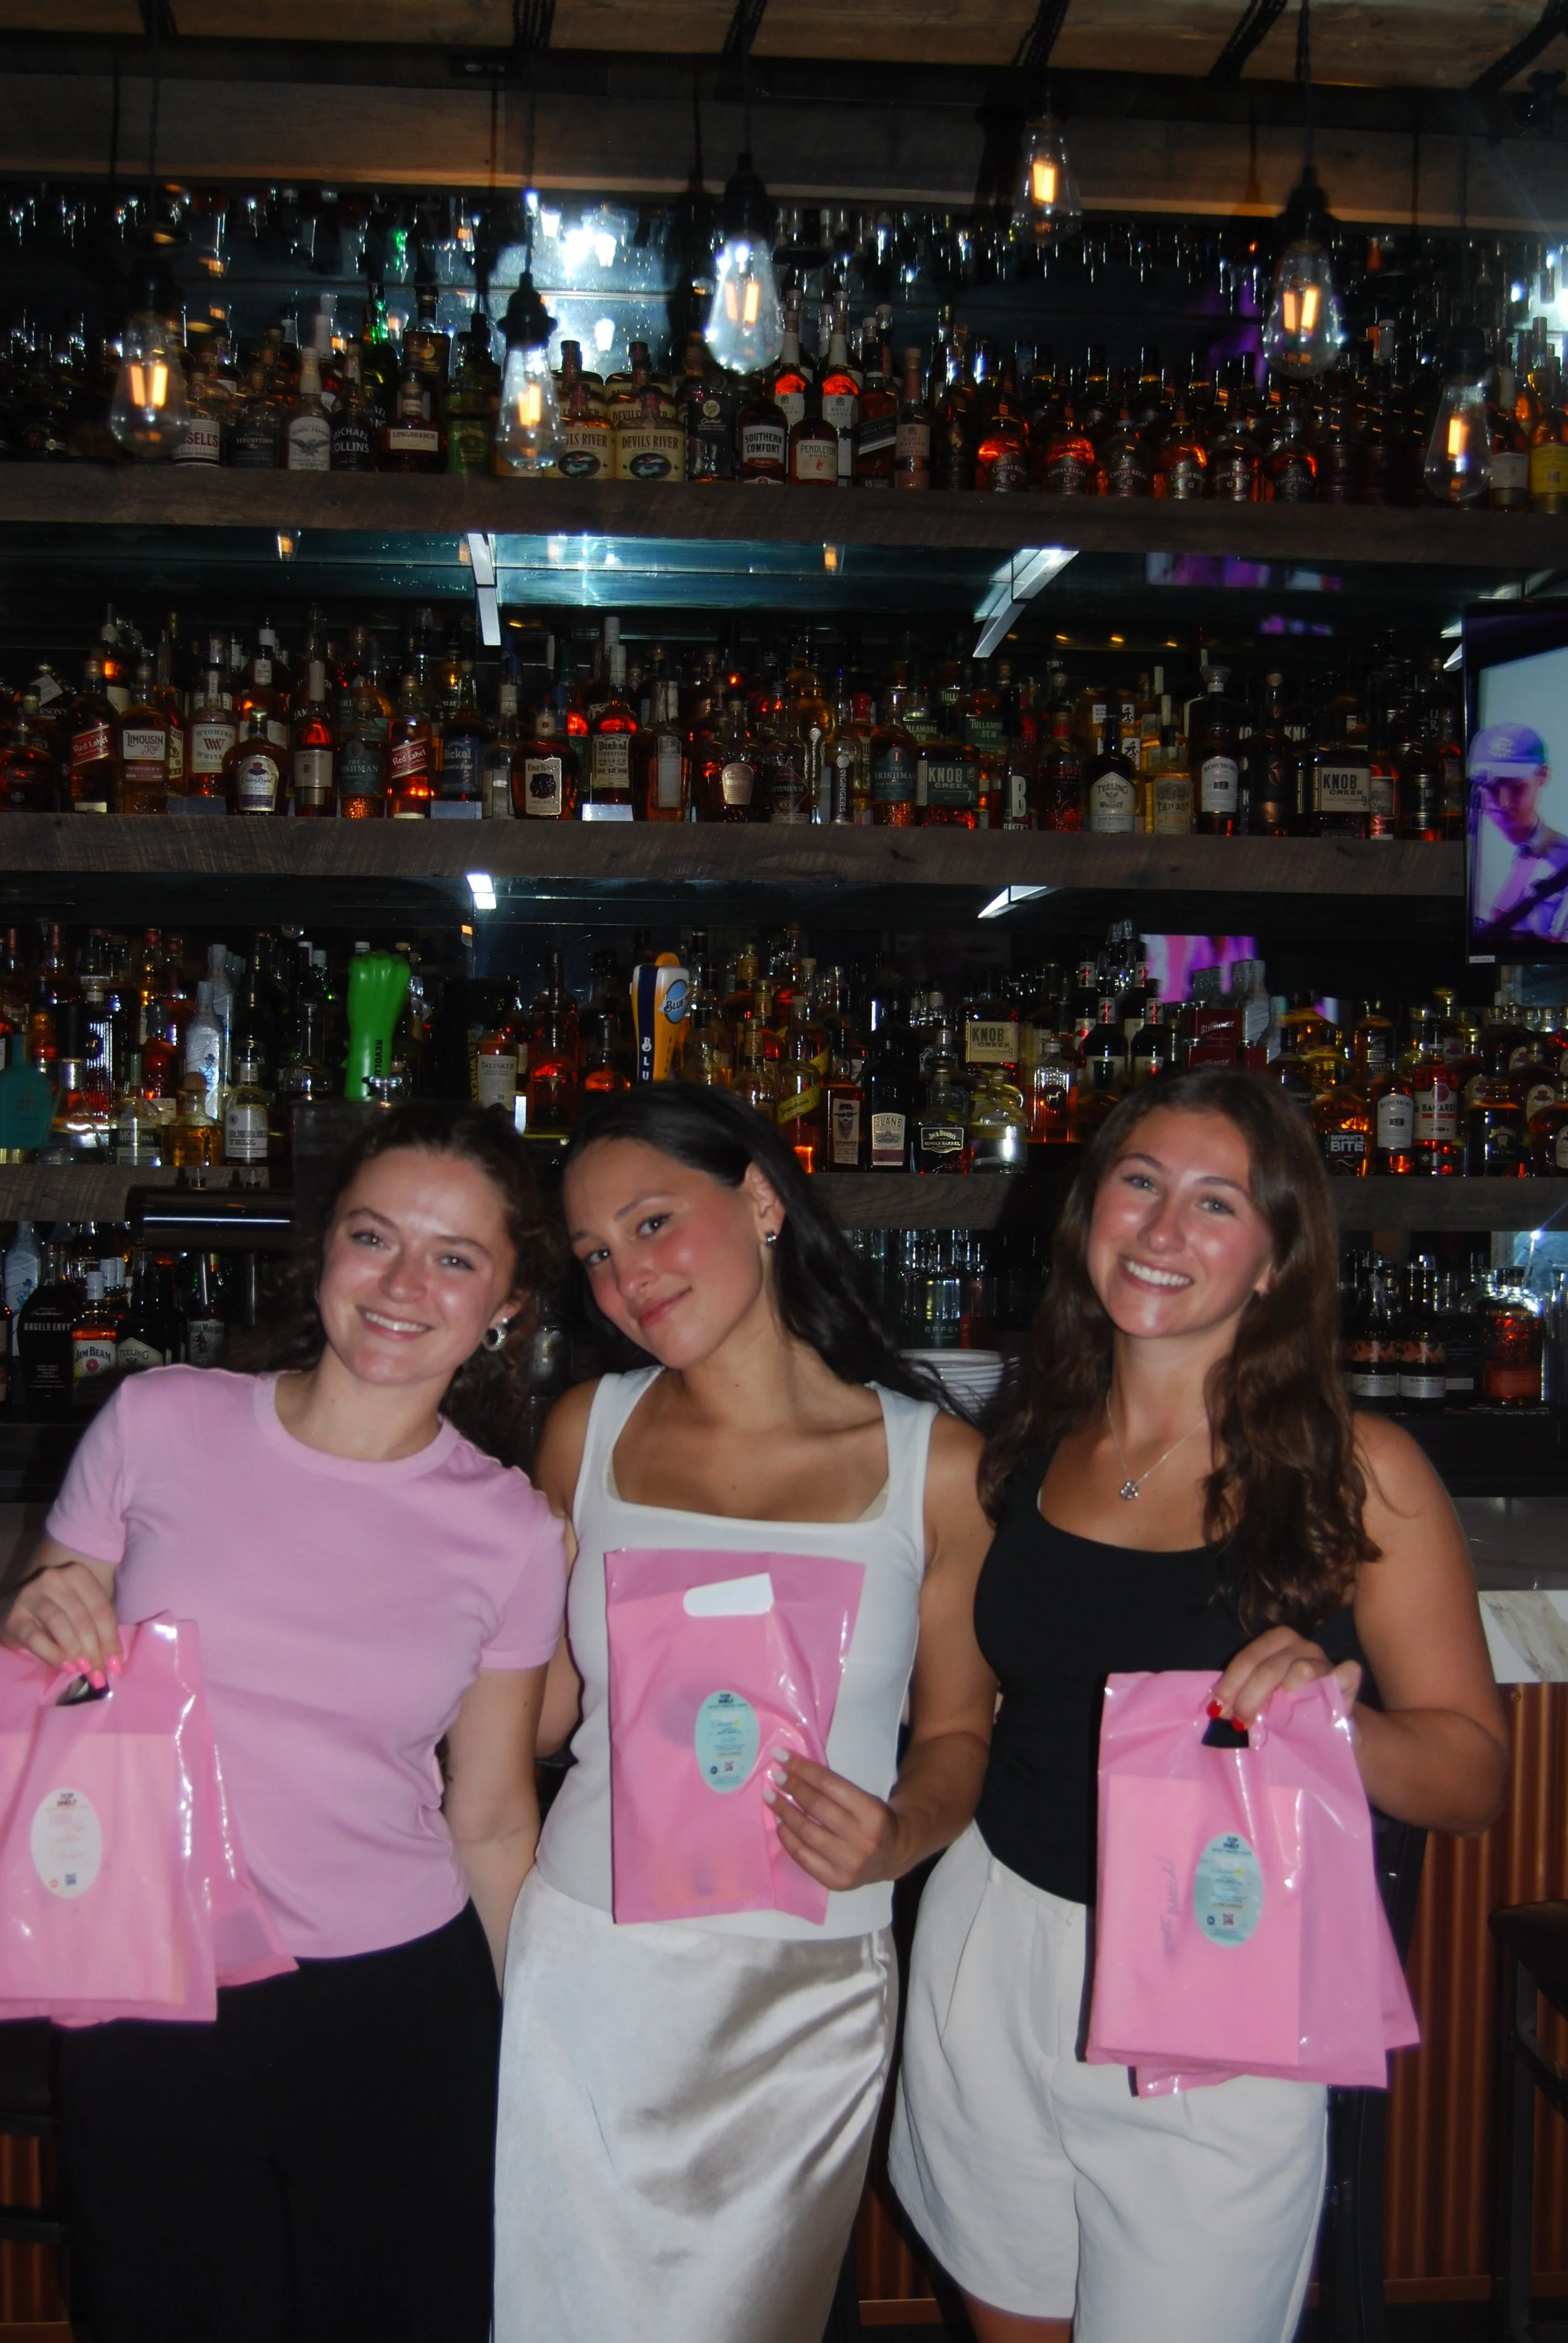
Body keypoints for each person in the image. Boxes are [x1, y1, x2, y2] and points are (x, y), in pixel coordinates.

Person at [889, 1068, 1507, 2343]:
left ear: (1275, 1259)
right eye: (1138, 1183)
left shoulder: (1358, 1471)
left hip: (1216, 1989)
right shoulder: (1026, 1441)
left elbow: (1471, 1774)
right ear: (1087, 1211)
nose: (1162, 1231)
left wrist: (1333, 1721)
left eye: (1215, 1202)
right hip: (993, 1948)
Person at [2, 1101, 566, 2343]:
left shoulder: (512, 1530)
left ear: (507, 1304)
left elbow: (486, 1812)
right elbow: (38, 1680)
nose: (402, 1282)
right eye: (373, 1235)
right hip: (148, 1987)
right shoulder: (160, 1423)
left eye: (455, 1256)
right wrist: (40, 1616)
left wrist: (546, 2033)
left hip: (394, 2006)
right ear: (322, 1252)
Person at [494, 1083, 996, 2343]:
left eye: (654, 1222)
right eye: (597, 1255)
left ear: (761, 1198)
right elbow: (542, 1715)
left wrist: (895, 1835)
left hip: (803, 1980)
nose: (627, 1276)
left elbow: (958, 1737)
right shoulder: (585, 1431)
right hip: (591, 1962)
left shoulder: (931, 1466)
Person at [1468, 720, 1568, 943]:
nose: (1503, 803)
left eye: (1517, 788)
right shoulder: (1466, 848)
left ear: (1543, 776)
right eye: (1491, 788)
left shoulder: (1564, 859)